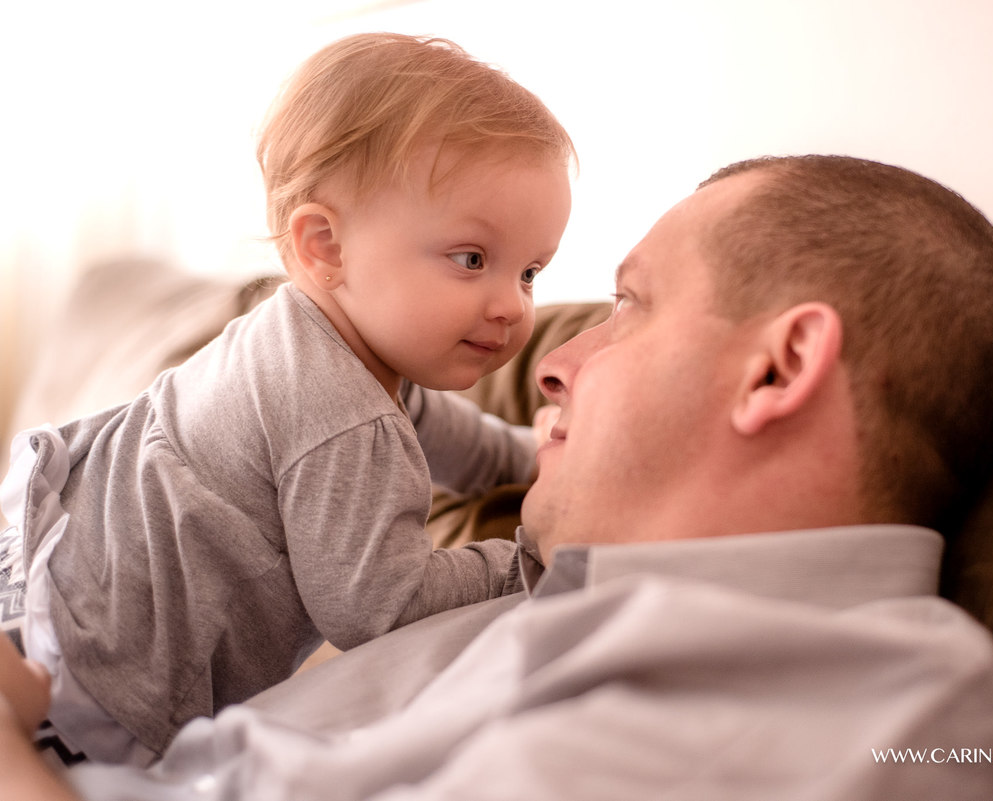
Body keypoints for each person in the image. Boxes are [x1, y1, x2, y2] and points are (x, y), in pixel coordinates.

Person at [0, 154, 993, 799]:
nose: (547, 360)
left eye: (629, 305)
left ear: (778, 368)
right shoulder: (565, 604)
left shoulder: (843, 709)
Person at [0, 32, 573, 766]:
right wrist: (532, 556)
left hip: (39, 584)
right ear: (325, 246)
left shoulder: (299, 336)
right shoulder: (339, 410)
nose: (512, 306)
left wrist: (528, 454)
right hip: (87, 677)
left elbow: (437, 427)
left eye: (529, 272)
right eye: (472, 259)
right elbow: (381, 604)